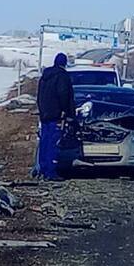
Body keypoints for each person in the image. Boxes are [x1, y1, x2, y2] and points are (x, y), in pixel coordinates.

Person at [36, 52, 75, 180]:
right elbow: (64, 94)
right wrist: (66, 111)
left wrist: (42, 110)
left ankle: (42, 168)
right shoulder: (62, 76)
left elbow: (39, 95)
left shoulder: (45, 77)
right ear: (64, 63)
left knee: (44, 141)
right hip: (56, 115)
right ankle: (50, 172)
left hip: (45, 114)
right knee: (53, 143)